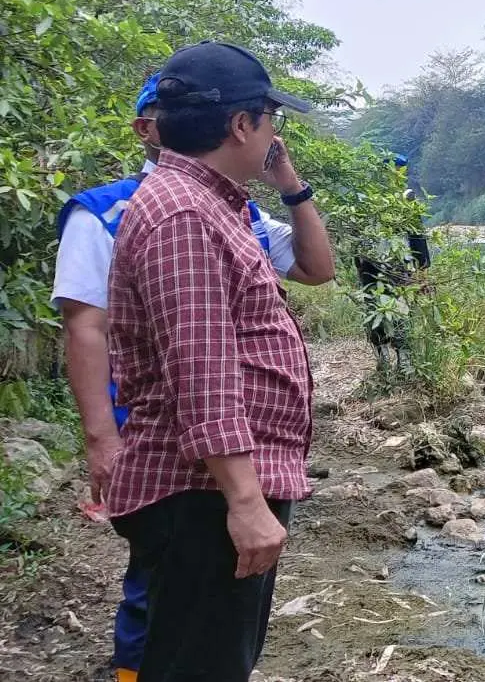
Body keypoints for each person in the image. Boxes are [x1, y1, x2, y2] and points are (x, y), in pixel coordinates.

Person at [52, 70, 332, 682]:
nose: (275, 134)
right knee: (188, 645)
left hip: (211, 474)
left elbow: (317, 268)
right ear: (241, 124)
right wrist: (244, 498)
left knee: (197, 641)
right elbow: (199, 365)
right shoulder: (175, 212)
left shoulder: (225, 207)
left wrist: (290, 183)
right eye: (271, 120)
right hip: (195, 479)